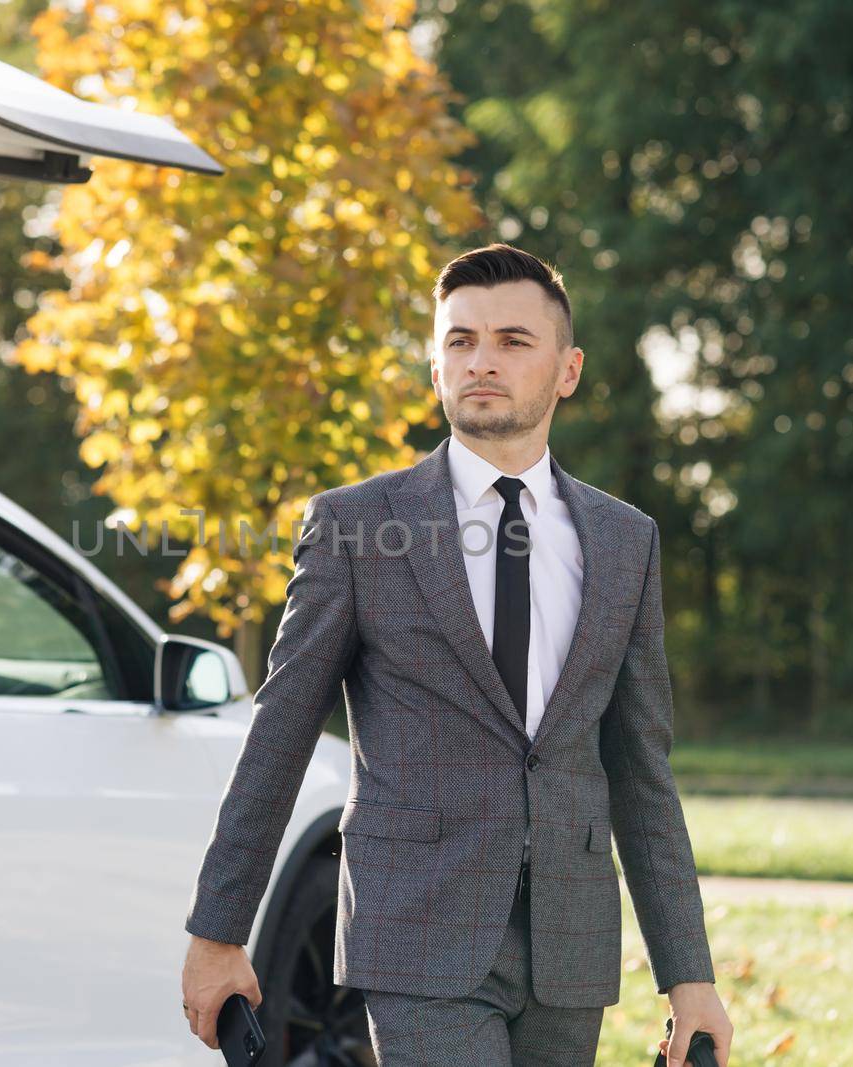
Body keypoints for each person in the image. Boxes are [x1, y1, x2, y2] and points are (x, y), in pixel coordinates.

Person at [180, 243, 734, 1065]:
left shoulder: (626, 542)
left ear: (568, 369)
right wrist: (218, 931)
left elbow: (642, 770)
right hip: (417, 936)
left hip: (569, 949)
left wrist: (689, 975)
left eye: (513, 341)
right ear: (435, 368)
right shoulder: (358, 527)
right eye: (459, 341)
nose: (482, 361)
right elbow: (281, 732)